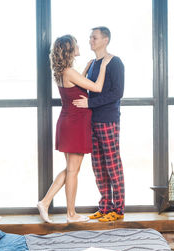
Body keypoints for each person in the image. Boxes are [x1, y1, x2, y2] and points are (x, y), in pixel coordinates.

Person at [37, 35, 112, 223]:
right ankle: (70, 214)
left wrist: (86, 69)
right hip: (75, 125)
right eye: (76, 44)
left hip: (68, 123)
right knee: (72, 171)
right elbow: (97, 87)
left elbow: (78, 83)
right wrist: (103, 66)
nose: (80, 45)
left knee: (71, 169)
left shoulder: (65, 71)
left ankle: (46, 202)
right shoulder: (69, 72)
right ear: (70, 49)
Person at [73, 26, 125, 222]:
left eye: (94, 37)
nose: (90, 41)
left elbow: (117, 93)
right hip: (91, 121)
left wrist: (90, 103)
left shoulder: (115, 62)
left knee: (113, 165)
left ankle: (118, 210)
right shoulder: (93, 64)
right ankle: (104, 207)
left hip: (108, 120)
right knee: (98, 166)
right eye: (89, 38)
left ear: (106, 40)